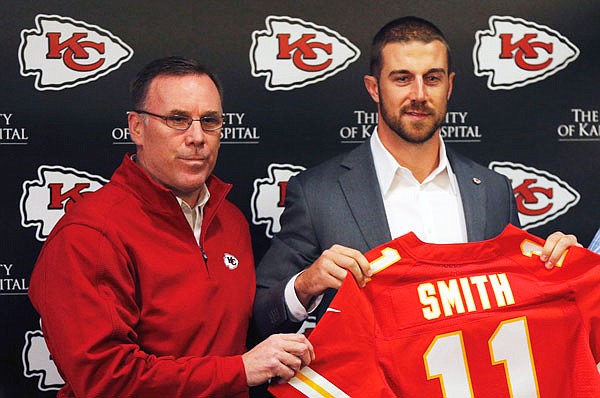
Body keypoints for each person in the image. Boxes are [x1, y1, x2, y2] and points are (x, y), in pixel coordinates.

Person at [253, 17, 580, 338]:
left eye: (432, 78)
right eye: (402, 78)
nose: (419, 94)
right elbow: (261, 317)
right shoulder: (318, 194)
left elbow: (520, 305)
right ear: (374, 88)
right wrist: (306, 284)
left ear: (449, 86)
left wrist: (557, 272)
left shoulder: (492, 191)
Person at [28, 56, 313, 398]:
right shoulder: (89, 234)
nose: (197, 137)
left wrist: (303, 288)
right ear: (137, 128)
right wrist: (239, 370)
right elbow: (106, 380)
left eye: (209, 121)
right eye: (177, 119)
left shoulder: (229, 221)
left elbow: (238, 338)